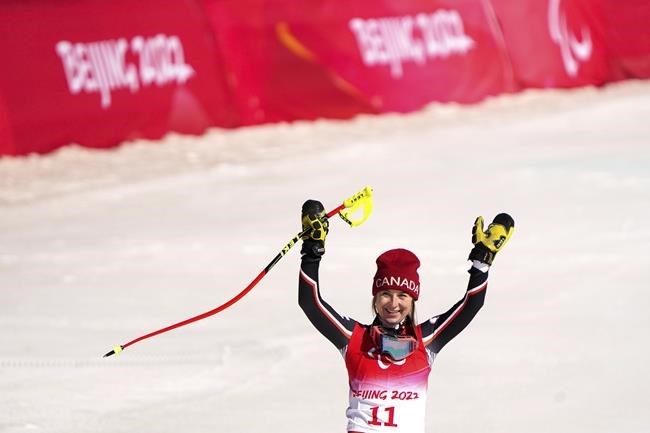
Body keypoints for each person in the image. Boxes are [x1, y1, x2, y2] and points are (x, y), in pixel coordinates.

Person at [298, 199, 514, 433]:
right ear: (375, 297)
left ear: (412, 300)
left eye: (403, 295)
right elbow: (310, 303)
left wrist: (482, 262)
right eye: (385, 294)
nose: (393, 304)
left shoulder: (426, 340)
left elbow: (471, 305)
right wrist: (312, 249)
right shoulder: (355, 338)